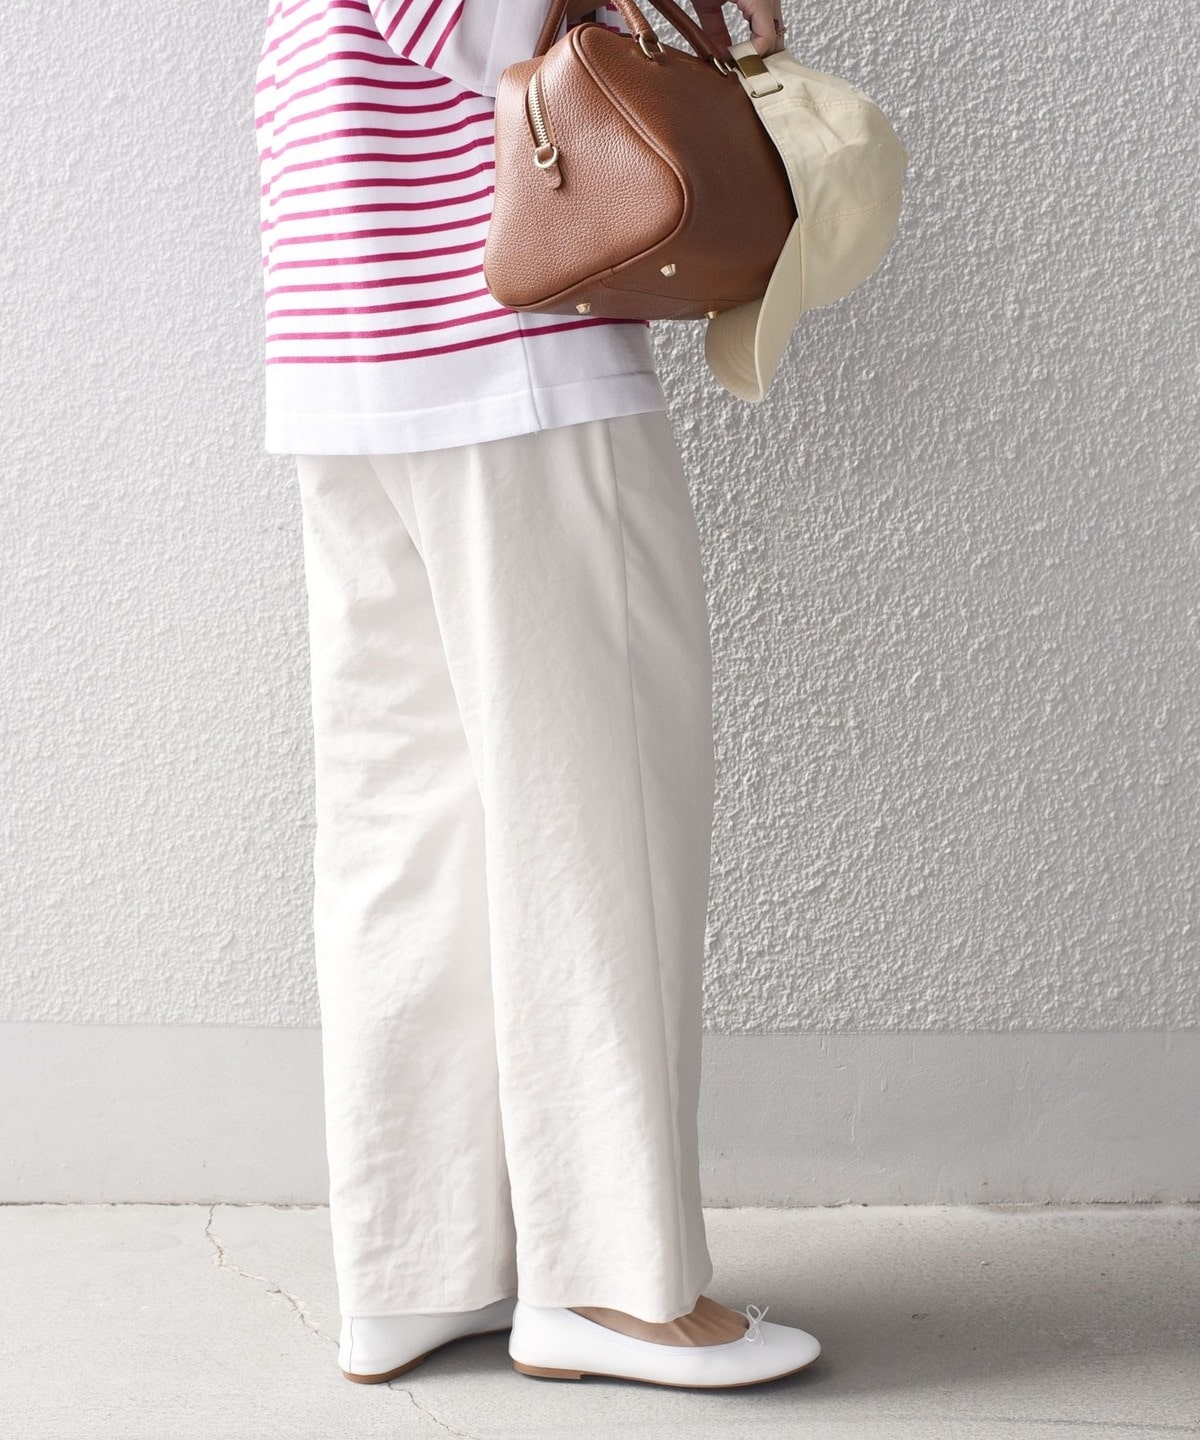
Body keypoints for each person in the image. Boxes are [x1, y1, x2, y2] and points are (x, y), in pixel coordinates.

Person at [253, 0, 821, 1388]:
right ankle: (613, 1285)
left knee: (410, 834)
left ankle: (415, 1267)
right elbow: (492, 31)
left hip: (351, 345)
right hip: (505, 349)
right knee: (600, 818)